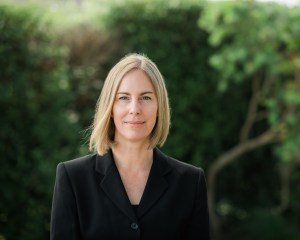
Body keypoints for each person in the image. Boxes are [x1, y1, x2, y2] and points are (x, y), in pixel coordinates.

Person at [50, 53, 210, 240]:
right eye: (124, 98)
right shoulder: (73, 178)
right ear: (110, 107)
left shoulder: (190, 182)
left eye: (146, 98)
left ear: (160, 107)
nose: (135, 109)